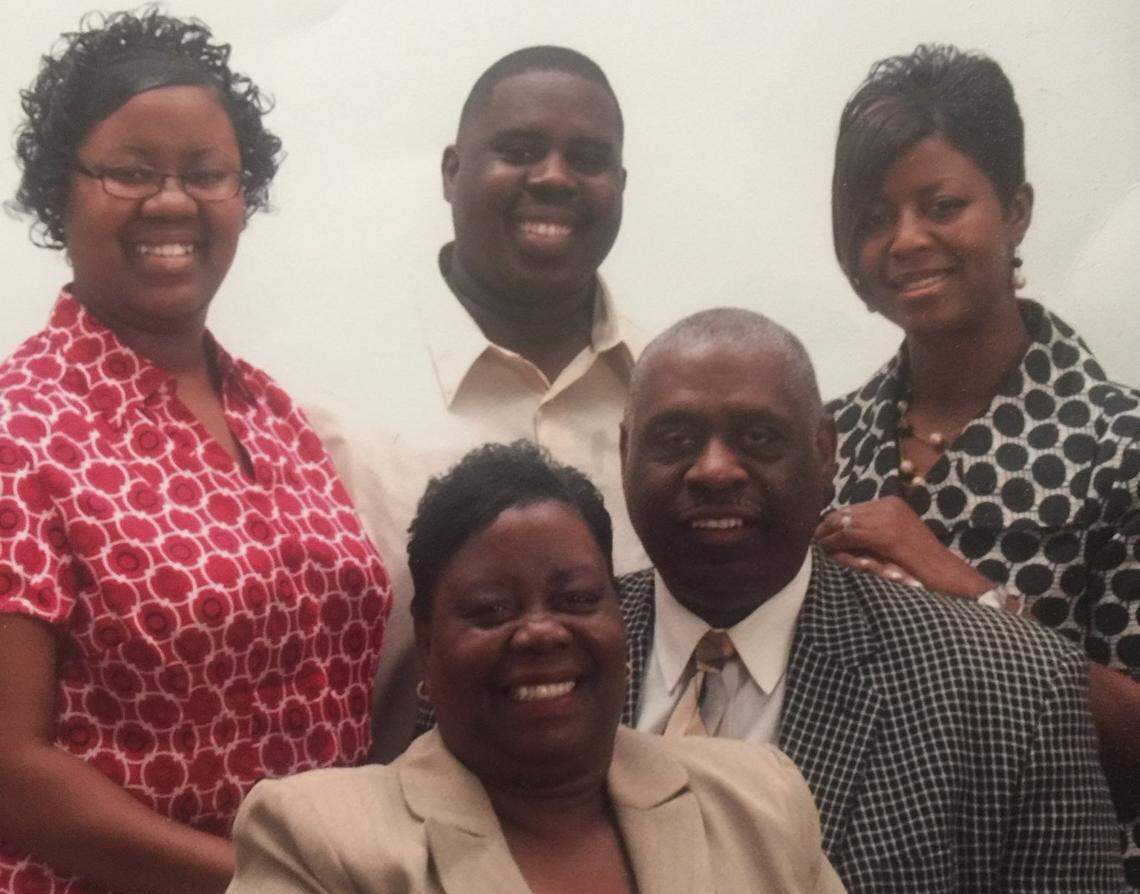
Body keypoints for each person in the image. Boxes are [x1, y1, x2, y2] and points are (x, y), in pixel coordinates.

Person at [0, 12, 389, 894]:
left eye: (206, 174)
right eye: (131, 172)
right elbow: (11, 775)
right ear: (60, 192)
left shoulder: (275, 415)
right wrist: (263, 880)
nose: (172, 201)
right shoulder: (17, 432)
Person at [618, 308, 1124, 892]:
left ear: (826, 452)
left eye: (758, 437)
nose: (714, 470)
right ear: (627, 452)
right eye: (675, 439)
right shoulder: (549, 660)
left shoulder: (1017, 687)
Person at [227, 442, 844, 894]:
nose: (542, 632)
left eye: (578, 599)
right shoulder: (318, 837)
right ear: (428, 647)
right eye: (492, 610)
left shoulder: (759, 802)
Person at [816, 44, 1140, 885]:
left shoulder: (1121, 445)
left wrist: (964, 589)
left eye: (942, 204)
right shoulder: (827, 440)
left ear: (1018, 210)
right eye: (875, 219)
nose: (907, 241)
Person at [312, 46, 646, 761]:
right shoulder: (328, 407)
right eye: (520, 150)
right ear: (450, 171)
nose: (555, 177)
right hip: (402, 848)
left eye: (587, 158)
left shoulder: (671, 411)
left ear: (619, 184)